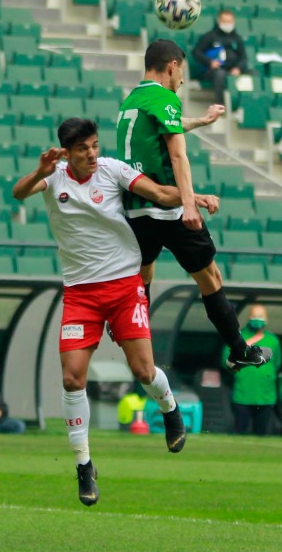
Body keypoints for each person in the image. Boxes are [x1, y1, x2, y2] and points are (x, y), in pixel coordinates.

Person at [13, 117, 226, 504]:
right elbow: (18, 193)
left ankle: (170, 408)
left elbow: (160, 195)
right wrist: (39, 171)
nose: (92, 153)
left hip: (125, 287)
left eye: (94, 145)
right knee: (73, 379)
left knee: (143, 370)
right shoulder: (55, 178)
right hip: (80, 293)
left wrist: (194, 198)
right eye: (83, 149)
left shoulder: (112, 169)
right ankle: (84, 466)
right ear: (67, 152)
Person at [117, 41, 272, 377]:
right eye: (181, 72)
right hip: (167, 209)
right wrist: (190, 204)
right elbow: (177, 155)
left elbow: (164, 127)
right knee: (210, 278)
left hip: (134, 208)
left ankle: (129, 335)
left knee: (144, 275)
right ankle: (240, 349)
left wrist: (201, 121)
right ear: (171, 66)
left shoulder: (133, 100)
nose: (182, 80)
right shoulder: (164, 97)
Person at [225, 304, 282, 435]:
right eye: (255, 316)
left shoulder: (273, 340)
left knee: (261, 433)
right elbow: (227, 361)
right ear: (249, 318)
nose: (258, 320)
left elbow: (277, 364)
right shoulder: (238, 337)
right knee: (240, 433)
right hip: (242, 395)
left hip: (266, 396)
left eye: (261, 317)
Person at [190, 8, 250, 106]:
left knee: (253, 74)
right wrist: (210, 62)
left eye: (229, 22)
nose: (227, 24)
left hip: (233, 69)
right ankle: (222, 106)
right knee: (220, 74)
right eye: (224, 21)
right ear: (219, 21)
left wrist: (238, 68)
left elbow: (243, 57)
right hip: (213, 70)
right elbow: (196, 52)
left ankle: (244, 105)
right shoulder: (209, 36)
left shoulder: (237, 38)